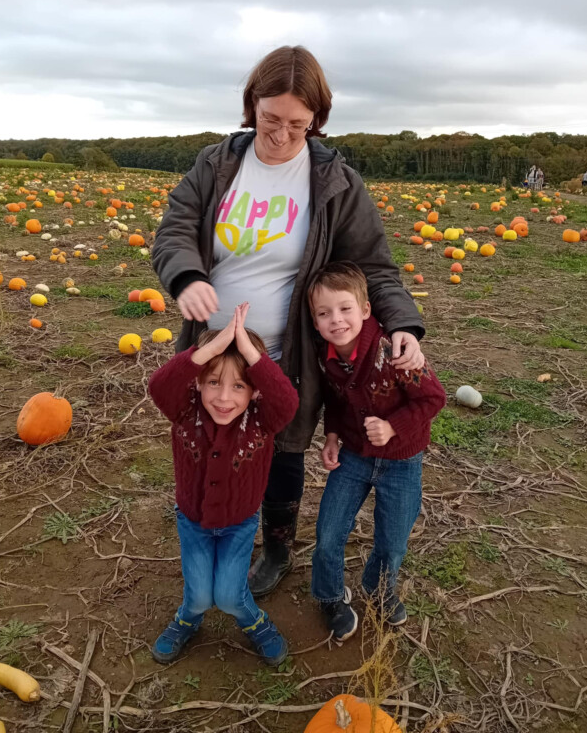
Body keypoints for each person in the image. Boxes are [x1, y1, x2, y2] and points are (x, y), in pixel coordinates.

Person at [152, 45, 425, 599]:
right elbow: (175, 228)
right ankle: (217, 525)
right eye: (269, 118)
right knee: (211, 436)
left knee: (284, 445)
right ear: (251, 104)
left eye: (297, 125)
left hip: (289, 351)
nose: (279, 135)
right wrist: (186, 277)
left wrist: (403, 325)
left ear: (317, 121)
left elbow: (374, 264)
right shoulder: (218, 163)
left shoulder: (334, 182)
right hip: (215, 349)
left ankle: (276, 545)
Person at [147, 303, 298, 665]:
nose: (224, 397)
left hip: (238, 526)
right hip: (193, 523)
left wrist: (247, 349)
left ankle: (254, 620)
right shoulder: (185, 412)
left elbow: (287, 400)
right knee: (200, 596)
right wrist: (210, 349)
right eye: (213, 382)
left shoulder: (262, 422)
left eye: (239, 386)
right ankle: (189, 616)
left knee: (229, 597)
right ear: (198, 382)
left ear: (255, 392)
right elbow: (159, 385)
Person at [308, 262, 446, 640]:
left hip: (402, 461)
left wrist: (392, 427)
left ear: (366, 310)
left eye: (345, 309)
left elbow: (433, 399)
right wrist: (332, 434)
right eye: (324, 313)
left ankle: (378, 588)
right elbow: (335, 400)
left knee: (392, 540)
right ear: (315, 322)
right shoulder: (327, 356)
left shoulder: (395, 348)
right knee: (329, 533)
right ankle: (330, 595)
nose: (336, 320)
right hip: (353, 456)